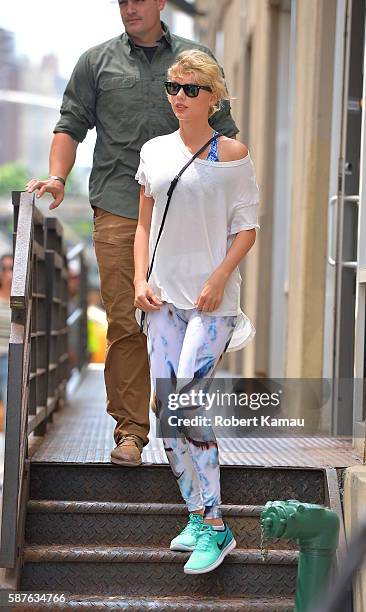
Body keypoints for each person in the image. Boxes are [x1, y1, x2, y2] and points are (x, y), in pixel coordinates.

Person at [26, 0, 238, 467]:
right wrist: (58, 177)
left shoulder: (192, 60)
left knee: (182, 319)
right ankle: (130, 433)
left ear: (161, 2)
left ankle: (175, 416)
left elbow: (225, 137)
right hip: (121, 210)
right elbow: (70, 124)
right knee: (125, 321)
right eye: (121, 0)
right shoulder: (97, 61)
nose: (128, 7)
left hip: (186, 215)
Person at [133, 49, 259, 574]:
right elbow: (143, 225)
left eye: (190, 89)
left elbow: (246, 229)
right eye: (172, 87)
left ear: (213, 95)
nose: (178, 97)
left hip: (210, 303)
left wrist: (218, 277)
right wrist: (139, 280)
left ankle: (216, 528)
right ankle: (196, 513)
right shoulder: (155, 151)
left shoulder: (232, 155)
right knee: (167, 415)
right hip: (162, 299)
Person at [0, 255, 13, 414]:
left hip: (10, 357)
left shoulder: (22, 301)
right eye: (4, 269)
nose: (9, 273)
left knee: (10, 402)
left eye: (12, 268)